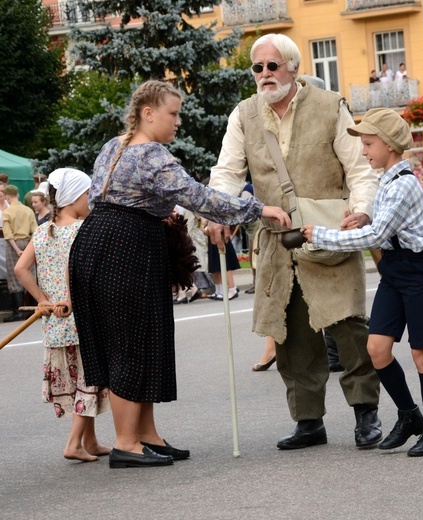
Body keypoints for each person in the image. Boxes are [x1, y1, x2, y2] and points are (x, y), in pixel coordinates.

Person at [65, 80, 290, 469]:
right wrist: (259, 209)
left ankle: (145, 435)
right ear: (148, 113)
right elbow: (197, 196)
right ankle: (126, 443)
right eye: (173, 113)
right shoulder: (151, 153)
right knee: (130, 343)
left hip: (103, 242)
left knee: (141, 340)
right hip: (125, 247)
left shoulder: (113, 145)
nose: (179, 121)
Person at [207, 33, 381, 451]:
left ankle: (366, 414)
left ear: (293, 68)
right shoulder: (243, 115)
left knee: (350, 329)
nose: (264, 74)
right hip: (277, 243)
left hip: (329, 235)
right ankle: (308, 421)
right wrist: (217, 213)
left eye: (272, 65)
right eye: (257, 67)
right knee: (291, 336)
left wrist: (363, 211)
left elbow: (359, 169)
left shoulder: (330, 105)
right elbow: (227, 173)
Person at [303, 108, 423, 457]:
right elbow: (378, 226)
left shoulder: (404, 184)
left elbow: (378, 235)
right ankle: (409, 415)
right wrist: (361, 217)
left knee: (421, 352)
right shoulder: (386, 181)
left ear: (389, 145)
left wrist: (320, 235)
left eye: (368, 144)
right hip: (396, 270)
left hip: (419, 271)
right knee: (377, 349)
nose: (364, 151)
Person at [15, 168, 111, 462]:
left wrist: (43, 300)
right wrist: (71, 299)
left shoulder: (43, 230)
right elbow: (81, 274)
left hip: (56, 324)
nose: (90, 201)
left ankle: (90, 441)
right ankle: (73, 444)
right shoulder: (83, 230)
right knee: (90, 380)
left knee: (81, 379)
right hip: (82, 320)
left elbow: (21, 269)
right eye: (86, 196)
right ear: (73, 198)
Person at [2, 185, 37, 322]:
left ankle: (18, 311)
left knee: (14, 276)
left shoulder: (7, 212)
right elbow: (35, 230)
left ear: (7, 196)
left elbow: (8, 233)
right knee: (31, 274)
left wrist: (17, 249)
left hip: (14, 244)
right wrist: (29, 246)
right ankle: (33, 308)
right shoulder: (28, 210)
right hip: (28, 242)